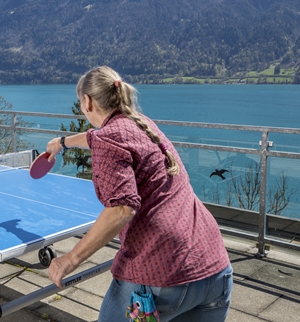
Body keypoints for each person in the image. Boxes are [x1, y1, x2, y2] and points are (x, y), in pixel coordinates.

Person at [45, 66, 232, 322]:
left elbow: (122, 209)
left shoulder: (109, 140)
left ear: (87, 101)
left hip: (163, 276)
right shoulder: (141, 124)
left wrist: (69, 259)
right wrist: (63, 142)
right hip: (215, 270)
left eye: (80, 101)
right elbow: (96, 137)